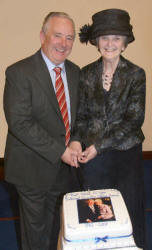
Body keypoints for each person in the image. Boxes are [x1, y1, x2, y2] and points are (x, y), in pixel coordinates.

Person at [70, 9, 146, 249]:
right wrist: (75, 141)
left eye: (116, 38)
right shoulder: (86, 74)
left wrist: (98, 147)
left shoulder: (136, 74)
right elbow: (81, 117)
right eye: (104, 38)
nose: (110, 43)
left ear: (124, 44)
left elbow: (134, 120)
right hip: (94, 162)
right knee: (96, 215)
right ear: (96, 42)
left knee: (126, 212)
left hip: (125, 156)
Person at [3, 12, 80, 250]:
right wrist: (61, 151)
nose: (64, 43)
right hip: (31, 170)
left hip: (64, 171)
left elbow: (79, 116)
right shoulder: (19, 72)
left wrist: (76, 141)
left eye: (69, 37)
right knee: (35, 237)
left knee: (58, 230)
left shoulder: (76, 72)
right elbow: (20, 122)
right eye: (58, 35)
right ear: (42, 36)